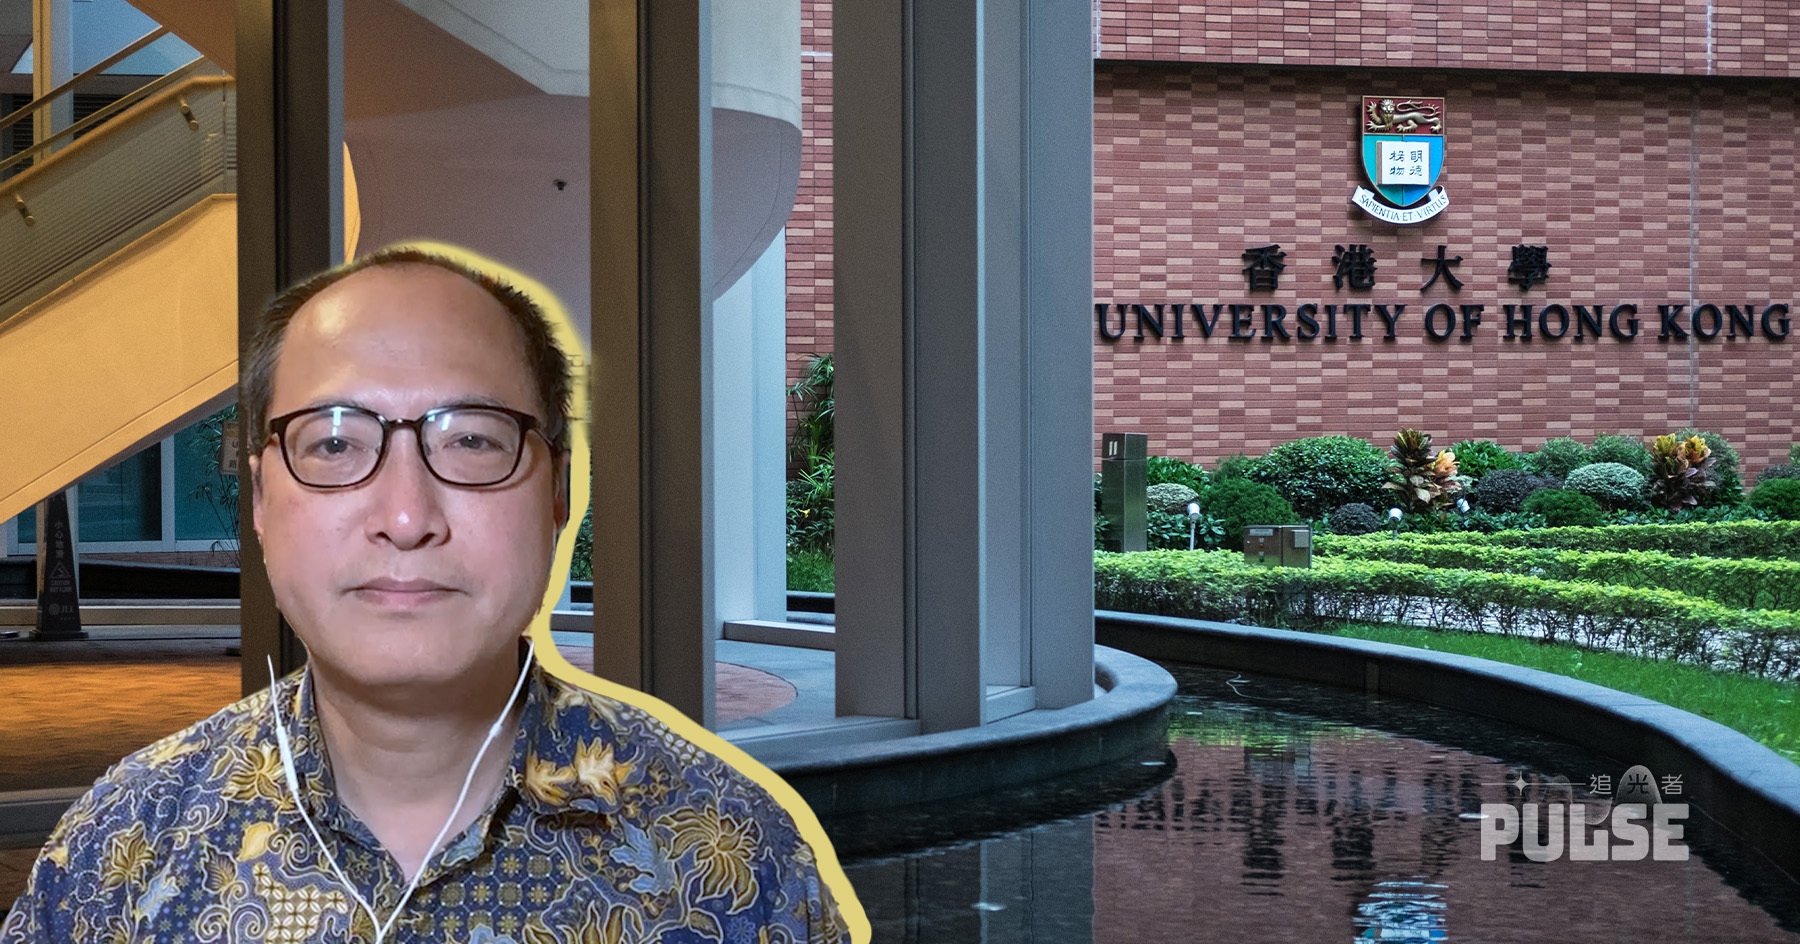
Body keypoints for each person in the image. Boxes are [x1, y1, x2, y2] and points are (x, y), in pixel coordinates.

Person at [0, 247, 859, 943]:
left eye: (473, 441)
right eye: (334, 444)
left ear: (558, 492)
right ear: (260, 499)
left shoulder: (732, 859)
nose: (407, 517)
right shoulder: (120, 850)